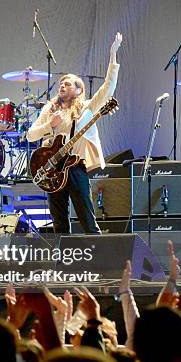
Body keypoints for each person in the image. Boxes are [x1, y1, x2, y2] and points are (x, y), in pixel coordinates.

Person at [27, 32, 122, 234]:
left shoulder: (86, 108)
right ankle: (63, 261)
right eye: (61, 83)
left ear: (79, 90)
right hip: (53, 170)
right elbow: (30, 135)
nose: (63, 85)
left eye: (68, 83)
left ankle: (96, 258)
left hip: (75, 166)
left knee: (87, 219)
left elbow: (107, 89)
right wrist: (48, 126)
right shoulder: (49, 109)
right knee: (59, 221)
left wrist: (113, 56)